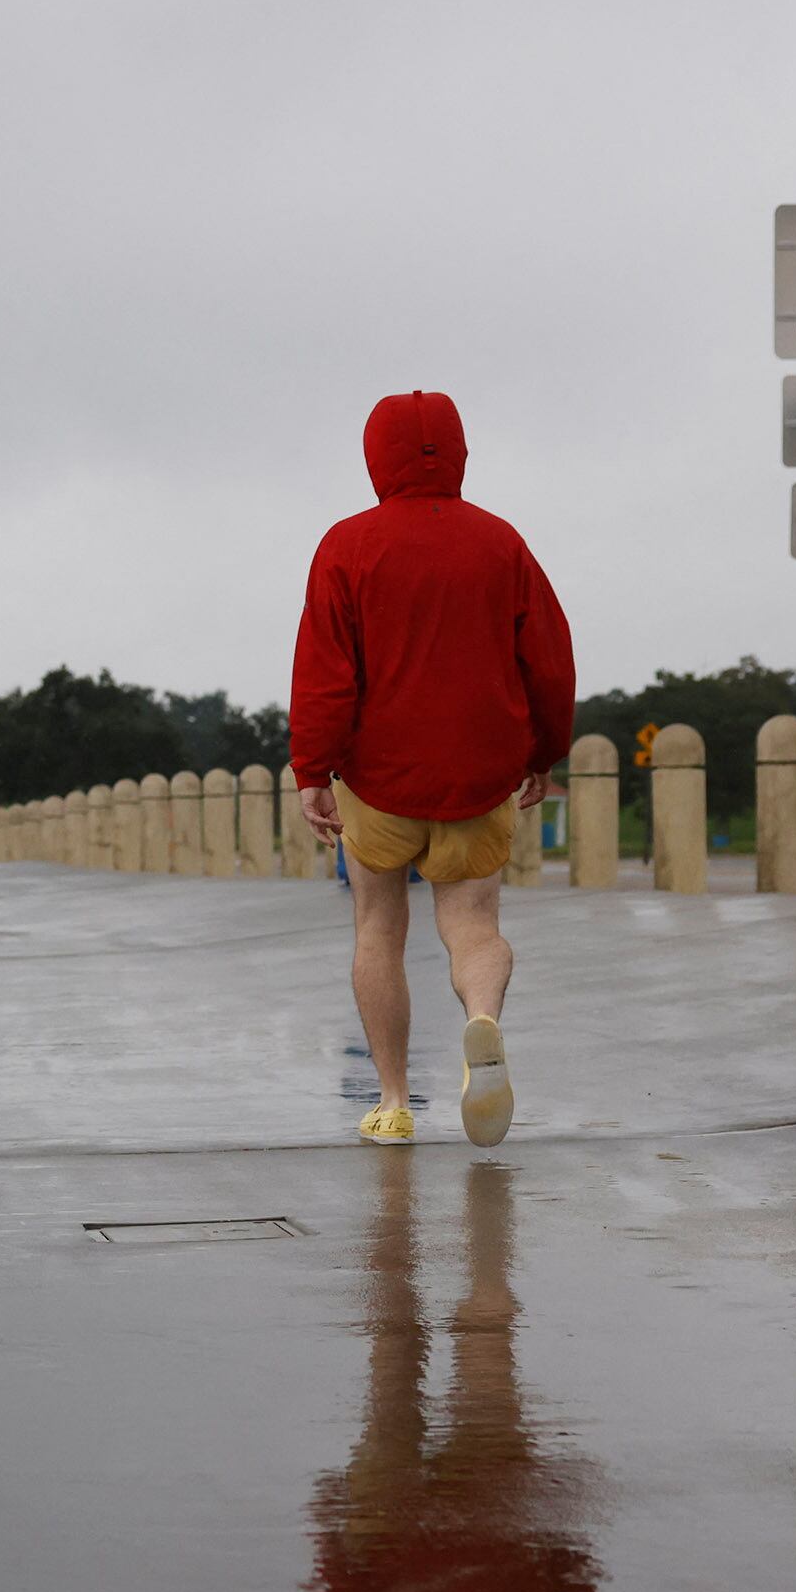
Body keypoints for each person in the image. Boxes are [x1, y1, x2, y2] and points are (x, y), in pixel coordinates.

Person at [289, 391, 574, 1146]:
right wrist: (544, 752)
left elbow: (326, 671)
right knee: (473, 924)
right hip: (479, 776)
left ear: (374, 457)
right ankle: (482, 1021)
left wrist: (312, 769)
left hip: (378, 781)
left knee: (378, 927)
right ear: (458, 453)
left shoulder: (346, 546)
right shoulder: (501, 543)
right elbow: (547, 658)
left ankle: (391, 1099)